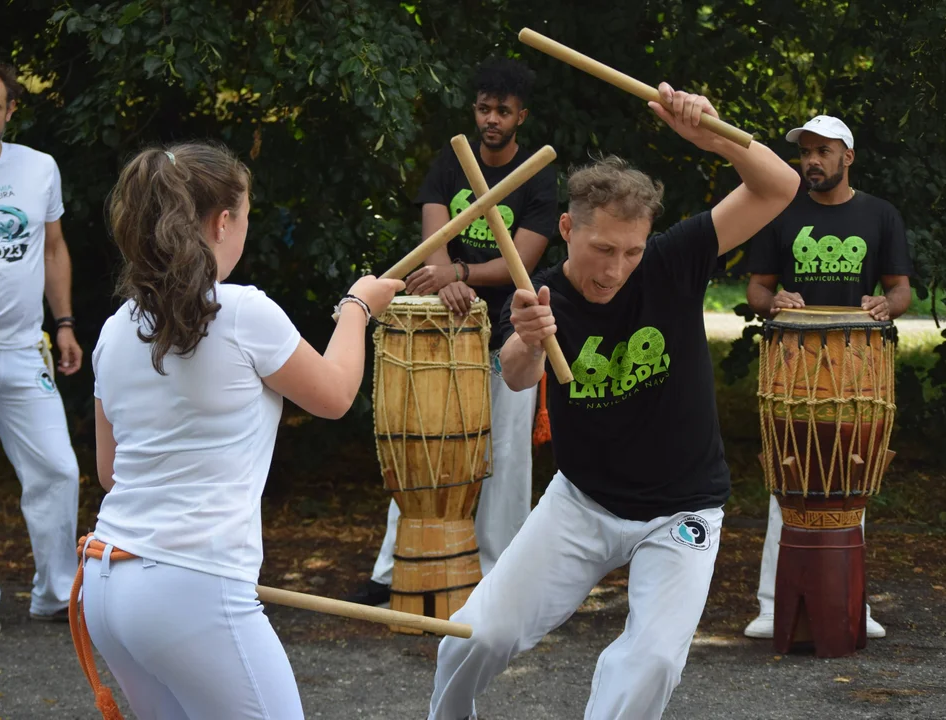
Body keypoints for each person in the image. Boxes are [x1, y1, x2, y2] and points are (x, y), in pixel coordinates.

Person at [427, 84, 800, 720]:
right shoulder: (538, 293)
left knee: (651, 662)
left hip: (682, 508)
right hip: (583, 500)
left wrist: (714, 136)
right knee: (477, 635)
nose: (615, 269)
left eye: (631, 250)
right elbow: (517, 378)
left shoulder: (672, 260)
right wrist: (528, 339)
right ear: (568, 228)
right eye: (602, 249)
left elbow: (778, 187)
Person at [79, 141, 404, 718]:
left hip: (108, 584)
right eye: (246, 216)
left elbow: (111, 472)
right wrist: (357, 306)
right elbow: (334, 395)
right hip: (190, 587)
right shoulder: (242, 312)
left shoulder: (114, 329)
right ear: (224, 220)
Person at [347, 57, 558, 606]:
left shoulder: (538, 175)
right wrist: (444, 281)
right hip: (446, 329)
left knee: (506, 455)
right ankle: (395, 568)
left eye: (503, 111)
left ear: (520, 117)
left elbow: (523, 263)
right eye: (485, 109)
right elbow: (433, 240)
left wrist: (458, 272)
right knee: (427, 447)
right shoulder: (451, 160)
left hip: (505, 329)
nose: (492, 119)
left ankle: (497, 575)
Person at [741, 115, 913, 641]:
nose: (811, 160)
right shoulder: (781, 211)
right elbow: (756, 291)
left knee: (850, 476)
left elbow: (902, 291)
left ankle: (849, 603)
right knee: (787, 477)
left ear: (848, 157)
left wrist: (886, 305)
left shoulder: (880, 215)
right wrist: (776, 300)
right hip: (795, 363)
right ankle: (773, 605)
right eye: (805, 152)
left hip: (857, 367)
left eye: (823, 151)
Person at [0, 55, 82, 636]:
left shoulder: (40, 169)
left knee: (58, 469)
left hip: (21, 345)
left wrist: (63, 322)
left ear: (11, 110)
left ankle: (57, 594)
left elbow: (54, 246)